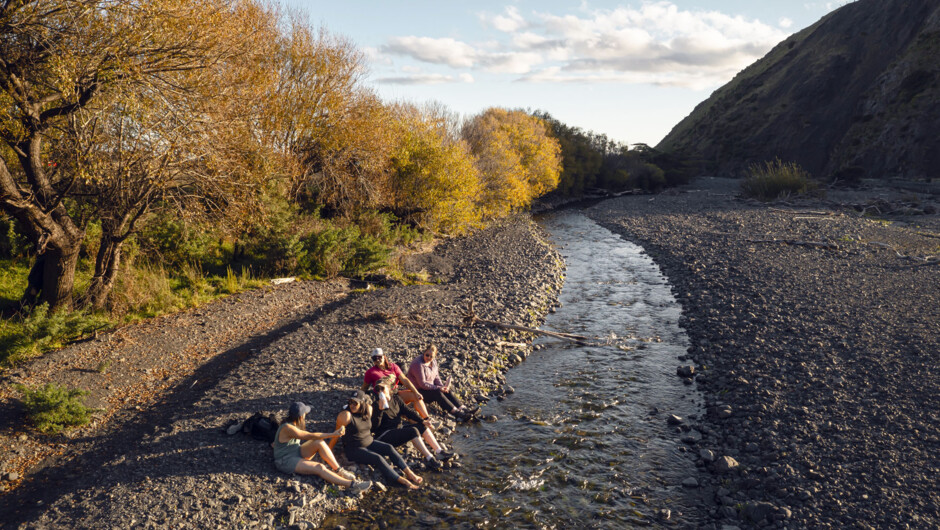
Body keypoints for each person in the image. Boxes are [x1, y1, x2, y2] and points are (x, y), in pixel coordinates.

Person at [330, 390, 424, 489]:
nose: (352, 405)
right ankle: (402, 481)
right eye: (350, 402)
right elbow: (336, 435)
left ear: (362, 402)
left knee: (389, 448)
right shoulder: (345, 416)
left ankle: (410, 473)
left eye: (355, 403)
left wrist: (380, 409)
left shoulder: (368, 410)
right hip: (354, 449)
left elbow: (375, 426)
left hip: (369, 442)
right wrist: (329, 451)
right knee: (378, 458)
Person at [272, 401, 372, 494]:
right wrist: (333, 434)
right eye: (305, 413)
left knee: (319, 442)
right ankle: (352, 485)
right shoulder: (288, 428)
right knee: (320, 467)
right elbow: (309, 436)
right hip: (285, 461)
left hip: (295, 451)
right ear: (301, 416)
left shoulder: (292, 423)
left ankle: (339, 470)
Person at [371, 382, 455, 470]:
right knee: (413, 431)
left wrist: (423, 421)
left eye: (382, 389)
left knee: (422, 426)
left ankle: (439, 452)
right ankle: (430, 458)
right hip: (384, 435)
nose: (380, 391)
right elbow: (374, 427)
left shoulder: (396, 399)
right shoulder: (376, 405)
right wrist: (380, 410)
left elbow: (408, 411)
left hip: (398, 429)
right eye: (378, 390)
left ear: (389, 389)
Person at [407, 345, 479, 421]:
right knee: (437, 393)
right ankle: (457, 413)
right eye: (427, 355)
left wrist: (442, 387)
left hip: (429, 387)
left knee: (447, 391)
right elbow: (422, 384)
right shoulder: (417, 364)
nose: (428, 358)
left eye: (431, 356)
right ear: (424, 353)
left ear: (434, 356)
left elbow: (436, 377)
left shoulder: (433, 362)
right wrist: (438, 388)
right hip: (417, 391)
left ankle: (464, 409)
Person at [361, 348, 431, 420]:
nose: (377, 360)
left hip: (395, 394)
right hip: (384, 398)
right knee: (408, 416)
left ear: (384, 356)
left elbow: (404, 380)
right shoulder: (370, 372)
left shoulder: (393, 367)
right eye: (374, 358)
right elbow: (364, 387)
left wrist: (416, 392)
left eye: (379, 357)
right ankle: (407, 417)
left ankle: (427, 418)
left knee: (416, 396)